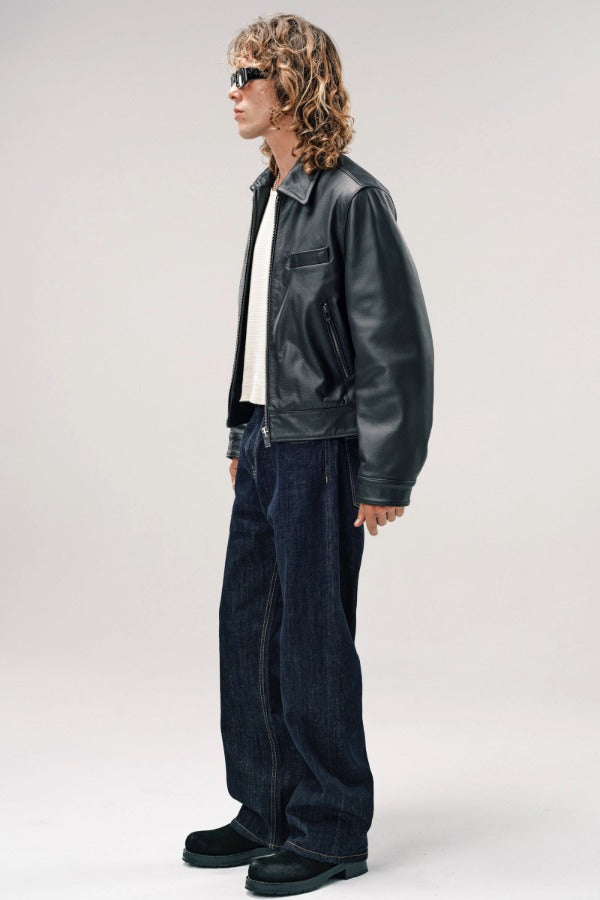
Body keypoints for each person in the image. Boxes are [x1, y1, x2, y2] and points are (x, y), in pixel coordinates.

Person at [182, 13, 434, 897]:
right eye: (234, 75)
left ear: (293, 82)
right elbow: (263, 332)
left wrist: (384, 473)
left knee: (313, 637)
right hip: (265, 440)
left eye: (248, 75)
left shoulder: (350, 199)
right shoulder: (271, 193)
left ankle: (330, 828)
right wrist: (240, 429)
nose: (235, 92)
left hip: (323, 448)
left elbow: (394, 347)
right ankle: (268, 808)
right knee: (246, 625)